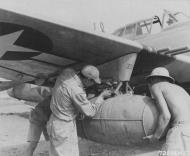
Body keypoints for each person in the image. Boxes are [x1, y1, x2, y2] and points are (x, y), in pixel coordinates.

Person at [46, 65, 111, 156]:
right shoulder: (76, 90)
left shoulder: (66, 73)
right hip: (64, 127)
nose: (93, 84)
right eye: (92, 82)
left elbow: (68, 99)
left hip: (54, 121)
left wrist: (77, 110)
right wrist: (101, 97)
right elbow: (90, 112)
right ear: (87, 79)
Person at [144, 67, 190, 156]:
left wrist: (155, 136)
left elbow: (166, 116)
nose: (150, 84)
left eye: (150, 81)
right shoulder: (181, 89)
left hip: (180, 131)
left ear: (154, 78)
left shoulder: (156, 86)